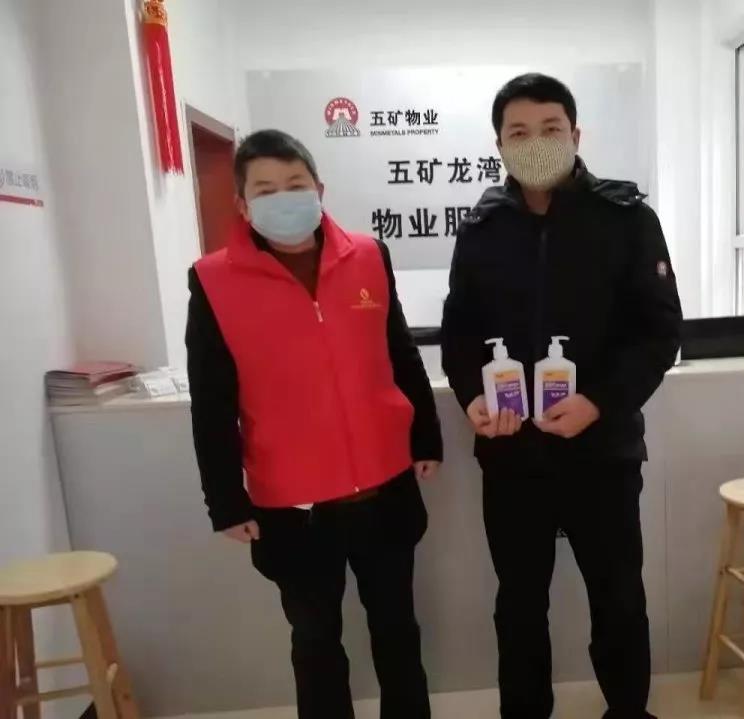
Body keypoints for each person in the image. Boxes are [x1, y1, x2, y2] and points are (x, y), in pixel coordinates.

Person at [441, 74, 682, 719]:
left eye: (551, 129)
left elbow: (660, 334)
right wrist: (471, 398)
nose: (536, 143)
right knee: (519, 604)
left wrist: (598, 402)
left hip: (602, 453)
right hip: (512, 456)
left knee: (619, 599)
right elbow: (459, 333)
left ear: (576, 135)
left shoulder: (626, 220)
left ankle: (628, 711)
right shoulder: (482, 229)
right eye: (519, 132)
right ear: (499, 145)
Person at [186, 129, 440, 719]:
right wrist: (225, 497)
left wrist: (425, 435)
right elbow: (212, 400)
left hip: (384, 486)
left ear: (319, 189)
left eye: (295, 184)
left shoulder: (368, 255)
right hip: (292, 508)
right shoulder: (214, 280)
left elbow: (400, 352)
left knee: (398, 630)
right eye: (265, 189)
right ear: (243, 204)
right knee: (316, 642)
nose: (284, 197)